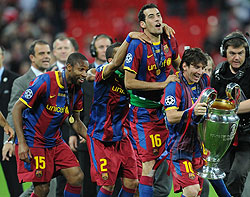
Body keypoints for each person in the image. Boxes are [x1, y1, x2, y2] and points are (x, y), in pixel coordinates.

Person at [12, 52, 89, 197]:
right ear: (69, 67)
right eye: (81, 70)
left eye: (86, 70)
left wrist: (93, 141)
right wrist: (22, 143)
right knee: (42, 189)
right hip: (34, 140)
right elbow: (17, 108)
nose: (84, 74)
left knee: (77, 176)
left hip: (55, 141)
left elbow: (76, 121)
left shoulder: (77, 90)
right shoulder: (45, 81)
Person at [124, 3, 180, 196]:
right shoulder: (137, 45)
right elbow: (129, 82)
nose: (157, 19)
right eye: (151, 17)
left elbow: (178, 66)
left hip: (165, 110)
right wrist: (163, 85)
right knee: (148, 164)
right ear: (143, 24)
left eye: (158, 15)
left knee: (167, 159)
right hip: (143, 113)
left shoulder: (169, 40)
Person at [161, 48, 231, 197]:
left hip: (199, 147)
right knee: (192, 190)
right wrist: (192, 112)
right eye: (196, 67)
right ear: (184, 66)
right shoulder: (174, 86)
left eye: (202, 68)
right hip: (180, 147)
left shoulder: (204, 80)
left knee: (198, 191)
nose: (200, 72)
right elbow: (171, 117)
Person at [86, 32, 149, 197]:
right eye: (123, 57)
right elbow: (113, 65)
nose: (127, 60)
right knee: (108, 186)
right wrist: (129, 38)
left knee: (132, 182)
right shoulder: (103, 73)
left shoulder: (130, 78)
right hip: (101, 137)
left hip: (122, 137)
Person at [2, 40, 57, 197]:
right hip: (33, 142)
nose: (46, 56)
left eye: (48, 53)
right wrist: (8, 140)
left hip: (53, 141)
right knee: (47, 184)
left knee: (45, 185)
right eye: (42, 53)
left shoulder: (55, 79)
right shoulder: (21, 82)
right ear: (32, 57)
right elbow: (13, 111)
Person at [211, 31, 250, 197]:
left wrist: (228, 108)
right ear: (224, 53)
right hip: (224, 134)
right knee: (223, 175)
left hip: (247, 134)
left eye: (240, 53)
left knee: (237, 174)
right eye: (232, 53)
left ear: (246, 53)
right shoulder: (218, 73)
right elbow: (212, 100)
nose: (236, 57)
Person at [0, 45, 22, 197]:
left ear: (2, 56)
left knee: (14, 186)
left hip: (7, 138)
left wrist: (12, 140)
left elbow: (15, 111)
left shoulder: (15, 79)